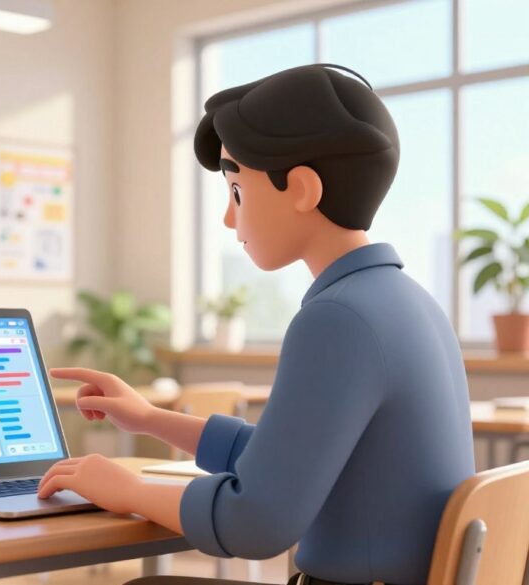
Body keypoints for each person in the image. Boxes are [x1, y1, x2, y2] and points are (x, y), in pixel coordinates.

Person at [36, 64, 474, 585]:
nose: (228, 217)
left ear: (304, 189)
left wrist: (125, 488)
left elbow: (256, 521)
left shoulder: (338, 319)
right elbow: (286, 459)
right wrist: (152, 418)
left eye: (237, 190)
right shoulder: (406, 302)